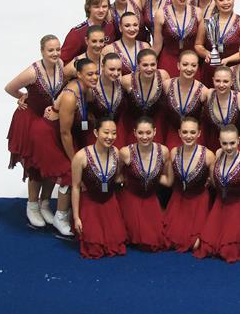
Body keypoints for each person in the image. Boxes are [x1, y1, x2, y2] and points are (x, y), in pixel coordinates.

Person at [4, 35, 64, 228]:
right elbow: (9, 87)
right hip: (30, 120)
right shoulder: (33, 72)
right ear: (42, 51)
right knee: (36, 165)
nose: (55, 53)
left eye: (57, 49)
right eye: (50, 50)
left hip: (49, 120)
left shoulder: (61, 65)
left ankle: (45, 203)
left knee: (52, 163)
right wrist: (23, 96)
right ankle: (32, 205)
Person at [37, 58, 99, 236]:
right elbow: (64, 133)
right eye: (90, 74)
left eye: (96, 73)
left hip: (66, 133)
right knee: (69, 172)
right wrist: (74, 160)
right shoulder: (71, 96)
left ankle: (55, 207)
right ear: (78, 74)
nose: (94, 77)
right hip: (51, 136)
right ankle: (60, 217)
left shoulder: (85, 87)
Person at [193, 124, 240, 263]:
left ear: (239, 140)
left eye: (232, 143)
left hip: (237, 208)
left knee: (229, 252)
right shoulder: (218, 154)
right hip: (219, 205)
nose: (228, 147)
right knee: (204, 248)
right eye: (224, 143)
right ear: (219, 141)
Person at [70, 116, 127, 258]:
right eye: (106, 132)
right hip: (90, 204)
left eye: (114, 133)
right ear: (96, 132)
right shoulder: (81, 157)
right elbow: (76, 187)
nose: (110, 137)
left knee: (116, 247)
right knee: (93, 249)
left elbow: (118, 176)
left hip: (109, 203)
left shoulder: (116, 153)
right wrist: (77, 217)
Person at [118, 116, 169, 251]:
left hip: (151, 198)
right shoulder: (125, 152)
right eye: (140, 133)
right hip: (131, 198)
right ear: (134, 133)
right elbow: (118, 175)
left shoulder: (163, 151)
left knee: (157, 239)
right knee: (141, 239)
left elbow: (165, 176)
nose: (144, 137)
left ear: (155, 132)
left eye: (148, 133)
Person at [163, 117, 214, 252]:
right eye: (185, 132)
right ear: (179, 133)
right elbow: (169, 180)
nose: (188, 136)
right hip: (178, 201)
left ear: (199, 133)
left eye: (192, 132)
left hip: (199, 202)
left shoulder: (208, 155)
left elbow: (215, 181)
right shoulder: (174, 152)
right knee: (170, 240)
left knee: (196, 244)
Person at [195, 0, 240, 86]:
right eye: (221, 0)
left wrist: (227, 60)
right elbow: (198, 45)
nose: (226, 3)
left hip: (233, 71)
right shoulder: (207, 23)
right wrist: (207, 53)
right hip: (210, 70)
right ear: (215, 1)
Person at [120, 50, 169, 145]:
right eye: (145, 65)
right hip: (133, 128)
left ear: (157, 63)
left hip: (156, 127)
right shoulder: (126, 81)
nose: (149, 68)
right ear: (138, 65)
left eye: (152, 64)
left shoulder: (163, 76)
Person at [153, 0, 199, 78]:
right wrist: (147, 62)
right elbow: (157, 45)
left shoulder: (198, 12)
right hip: (168, 60)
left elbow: (199, 44)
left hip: (190, 62)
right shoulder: (160, 14)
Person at [160, 50, 206, 148]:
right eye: (185, 64)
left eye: (193, 65)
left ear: (198, 67)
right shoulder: (166, 85)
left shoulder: (203, 91)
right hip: (171, 135)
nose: (189, 69)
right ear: (178, 65)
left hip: (193, 137)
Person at [202, 66, 240, 153]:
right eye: (217, 81)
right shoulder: (209, 94)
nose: (221, 85)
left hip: (234, 146)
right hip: (213, 144)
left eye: (225, 81)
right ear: (213, 80)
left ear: (232, 81)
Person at [61, 0, 115, 64]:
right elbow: (62, 61)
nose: (101, 10)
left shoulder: (111, 27)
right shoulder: (77, 33)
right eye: (96, 7)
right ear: (89, 8)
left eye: (104, 6)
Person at [91, 54, 125, 147]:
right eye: (112, 69)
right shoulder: (91, 86)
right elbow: (72, 89)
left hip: (116, 133)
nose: (116, 73)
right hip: (94, 135)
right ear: (102, 66)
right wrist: (55, 107)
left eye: (119, 70)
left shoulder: (122, 83)